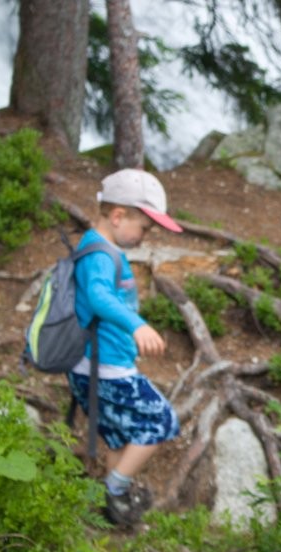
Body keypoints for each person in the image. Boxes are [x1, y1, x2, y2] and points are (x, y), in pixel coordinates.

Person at [68, 168, 184, 526]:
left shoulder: (98, 248)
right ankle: (114, 489)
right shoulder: (101, 255)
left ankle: (114, 510)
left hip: (95, 365)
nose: (145, 236)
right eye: (144, 228)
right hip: (106, 369)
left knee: (120, 437)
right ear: (118, 216)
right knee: (161, 421)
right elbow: (99, 297)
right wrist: (138, 326)